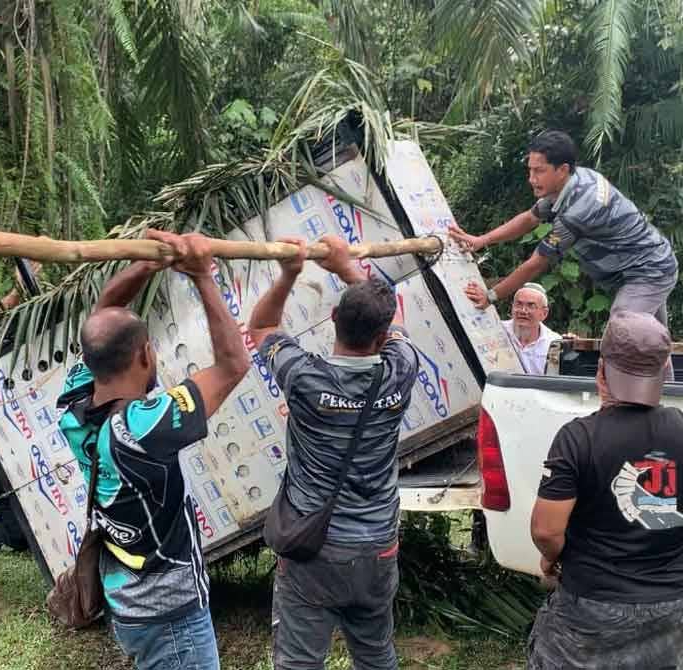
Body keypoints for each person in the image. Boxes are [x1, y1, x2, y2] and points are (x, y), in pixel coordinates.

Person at [56, 229, 249, 670]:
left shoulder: (74, 404)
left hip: (127, 601)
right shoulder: (142, 428)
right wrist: (201, 275)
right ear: (146, 355)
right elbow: (233, 365)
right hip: (171, 614)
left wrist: (149, 262)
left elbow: (103, 317)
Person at [248, 234, 420, 670]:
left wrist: (289, 274)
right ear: (383, 337)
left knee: (299, 662)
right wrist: (346, 266)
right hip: (378, 547)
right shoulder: (401, 370)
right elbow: (394, 319)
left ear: (332, 318)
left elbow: (262, 328)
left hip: (315, 550)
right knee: (376, 654)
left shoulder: (305, 379)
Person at [528, 311, 683, 669]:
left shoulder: (577, 438)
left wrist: (551, 559)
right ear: (664, 372)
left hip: (590, 608)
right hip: (671, 608)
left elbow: (546, 530)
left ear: (601, 371)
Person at [449, 131, 678, 334]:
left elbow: (536, 263)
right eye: (530, 170)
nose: (531, 179)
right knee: (653, 346)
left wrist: (490, 296)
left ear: (562, 169)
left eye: (539, 171)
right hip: (645, 264)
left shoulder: (578, 211)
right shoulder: (576, 180)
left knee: (623, 333)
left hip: (647, 271)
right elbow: (530, 218)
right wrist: (481, 240)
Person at [476, 282, 560, 375]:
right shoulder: (496, 330)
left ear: (544, 313)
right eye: (519, 304)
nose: (523, 311)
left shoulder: (554, 343)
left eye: (531, 306)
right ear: (512, 307)